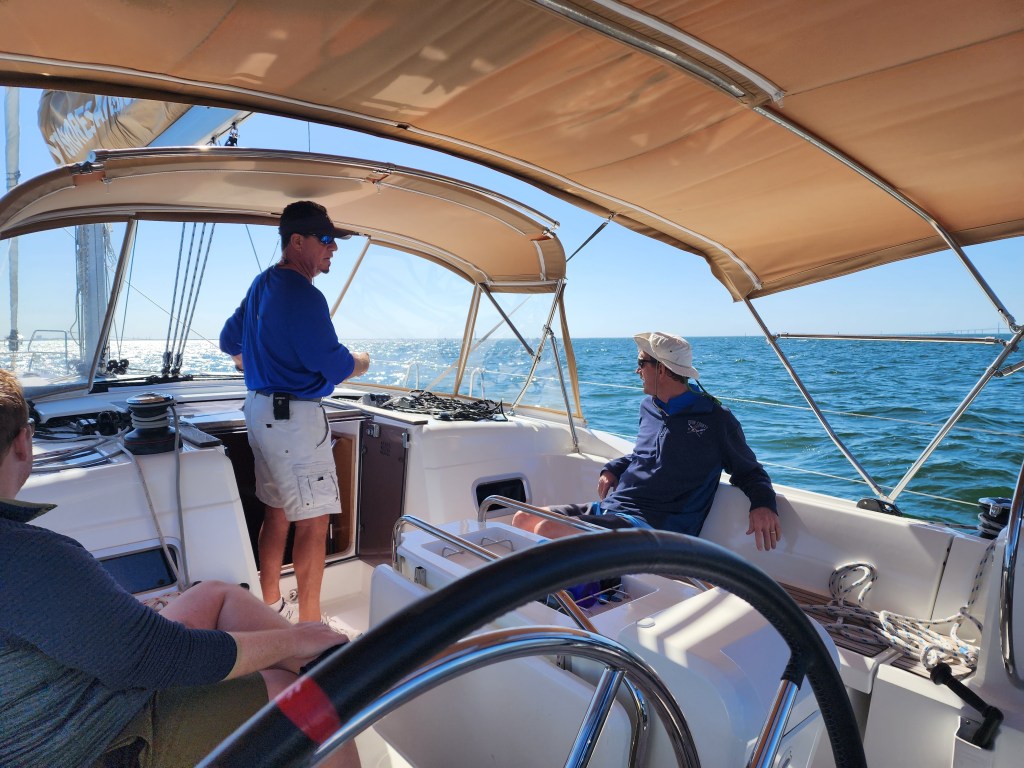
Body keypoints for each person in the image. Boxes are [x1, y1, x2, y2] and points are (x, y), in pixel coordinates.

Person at [0, 369, 359, 768]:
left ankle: (329, 668)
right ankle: (329, 677)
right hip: (83, 745)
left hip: (66, 694)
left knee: (215, 595)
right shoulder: (28, 555)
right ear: (23, 442)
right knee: (311, 706)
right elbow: (155, 658)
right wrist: (292, 642)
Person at [220, 201, 371, 625]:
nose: (332, 248)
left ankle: (271, 607)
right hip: (294, 422)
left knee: (277, 511)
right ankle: (310, 627)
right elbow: (335, 366)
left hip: (259, 412)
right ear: (297, 242)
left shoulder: (262, 284)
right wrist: (362, 361)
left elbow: (228, 340)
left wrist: (253, 363)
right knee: (314, 522)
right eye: (325, 240)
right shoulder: (304, 295)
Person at [514, 332, 782, 550]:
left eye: (641, 363)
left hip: (654, 525)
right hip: (614, 508)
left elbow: (750, 471)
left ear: (661, 369)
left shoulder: (716, 419)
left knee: (548, 529)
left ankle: (587, 589)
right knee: (523, 518)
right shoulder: (649, 407)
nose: (637, 370)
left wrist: (763, 504)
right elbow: (646, 455)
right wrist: (615, 468)